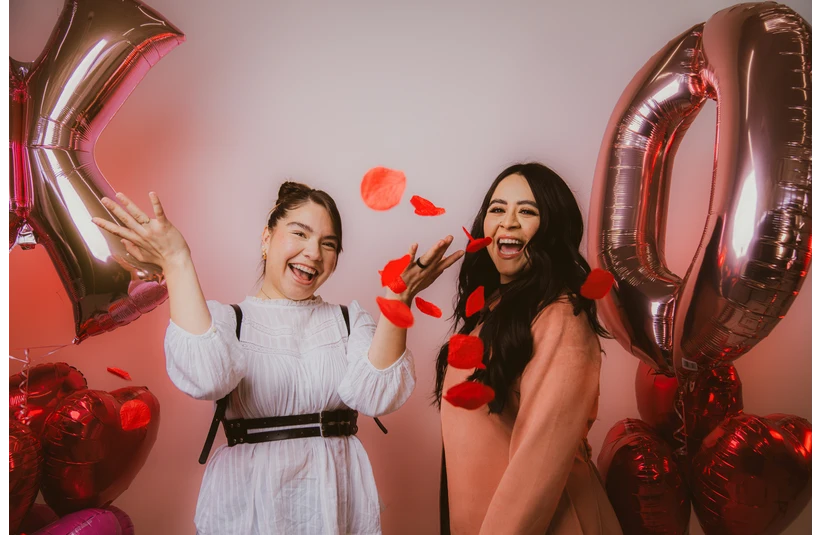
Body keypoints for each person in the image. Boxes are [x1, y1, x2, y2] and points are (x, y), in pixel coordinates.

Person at [93, 181, 463, 535]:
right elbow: (206, 377)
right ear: (267, 237)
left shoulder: (350, 322)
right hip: (250, 503)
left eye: (328, 244)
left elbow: (376, 397)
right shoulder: (227, 321)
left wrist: (398, 300)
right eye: (300, 233)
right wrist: (177, 260)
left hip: (335, 500)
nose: (314, 253)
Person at [434, 163, 623, 534]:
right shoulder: (494, 309)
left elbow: (539, 460)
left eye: (527, 211)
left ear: (552, 228)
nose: (508, 222)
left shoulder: (561, 316)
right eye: (497, 209)